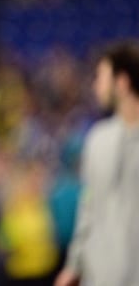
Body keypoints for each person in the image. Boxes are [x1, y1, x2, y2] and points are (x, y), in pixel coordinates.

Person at [54, 41, 139, 286]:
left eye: (101, 77)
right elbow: (89, 207)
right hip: (101, 275)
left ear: (122, 82)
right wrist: (73, 265)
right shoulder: (97, 139)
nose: (95, 86)